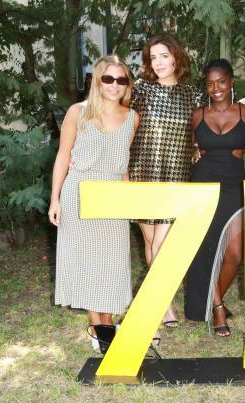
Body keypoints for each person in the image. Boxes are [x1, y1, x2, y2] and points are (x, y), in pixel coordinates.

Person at [49, 55, 139, 352]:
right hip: (79, 191)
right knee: (87, 262)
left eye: (121, 80)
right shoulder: (79, 112)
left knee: (112, 264)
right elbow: (63, 156)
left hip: (113, 192)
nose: (115, 85)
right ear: (98, 80)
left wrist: (129, 202)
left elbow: (124, 165)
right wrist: (55, 199)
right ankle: (99, 330)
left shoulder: (132, 117)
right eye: (108, 79)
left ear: (127, 84)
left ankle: (108, 322)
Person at [128, 34, 202, 330]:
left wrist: (200, 148)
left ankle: (157, 298)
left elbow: (200, 131)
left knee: (163, 242)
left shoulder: (192, 93)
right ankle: (164, 304)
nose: (158, 62)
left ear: (176, 58)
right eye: (153, 57)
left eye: (163, 56)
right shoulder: (140, 90)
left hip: (176, 175)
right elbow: (124, 126)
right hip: (143, 172)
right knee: (150, 241)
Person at [184, 59, 245, 336]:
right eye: (210, 83)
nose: (216, 88)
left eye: (221, 81)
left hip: (234, 188)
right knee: (206, 251)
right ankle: (217, 308)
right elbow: (189, 151)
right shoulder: (197, 115)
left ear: (231, 82)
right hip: (202, 186)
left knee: (234, 255)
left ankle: (215, 299)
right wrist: (193, 154)